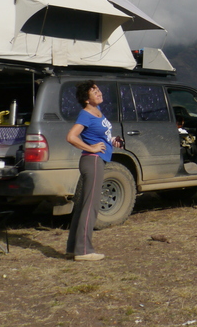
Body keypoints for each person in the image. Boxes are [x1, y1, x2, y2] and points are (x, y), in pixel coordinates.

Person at [65, 81, 123, 261]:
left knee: (84, 205)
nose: (99, 92)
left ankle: (73, 248)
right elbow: (71, 136)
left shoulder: (97, 112)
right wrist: (91, 148)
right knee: (92, 206)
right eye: (94, 91)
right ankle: (84, 251)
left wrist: (112, 141)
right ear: (86, 98)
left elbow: (100, 135)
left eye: (98, 89)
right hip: (93, 161)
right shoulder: (86, 114)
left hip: (97, 160)